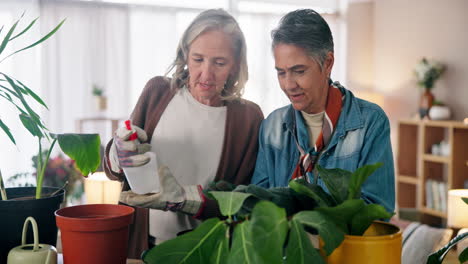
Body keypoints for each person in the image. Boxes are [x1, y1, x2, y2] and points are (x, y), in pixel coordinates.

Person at [103, 9, 263, 257]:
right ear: (185, 55)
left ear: (235, 66)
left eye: (219, 63)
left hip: (206, 251)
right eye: (198, 59)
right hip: (142, 246)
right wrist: (118, 152)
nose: (206, 74)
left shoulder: (248, 119)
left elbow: (241, 202)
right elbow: (117, 172)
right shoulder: (158, 92)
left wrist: (186, 200)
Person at [251, 9, 395, 213]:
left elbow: (377, 212)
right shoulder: (272, 126)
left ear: (327, 63)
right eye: (281, 73)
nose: (289, 84)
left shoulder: (370, 122)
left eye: (299, 71)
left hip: (343, 246)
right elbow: (260, 204)